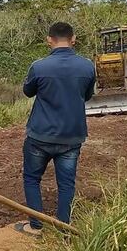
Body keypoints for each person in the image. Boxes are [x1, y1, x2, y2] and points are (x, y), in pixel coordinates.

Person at [18, 22, 95, 237]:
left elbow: (28, 91)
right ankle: (64, 228)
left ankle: (35, 226)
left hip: (40, 136)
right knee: (66, 184)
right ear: (73, 39)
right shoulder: (87, 66)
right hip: (71, 137)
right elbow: (87, 95)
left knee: (32, 179)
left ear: (49, 40)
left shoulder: (39, 66)